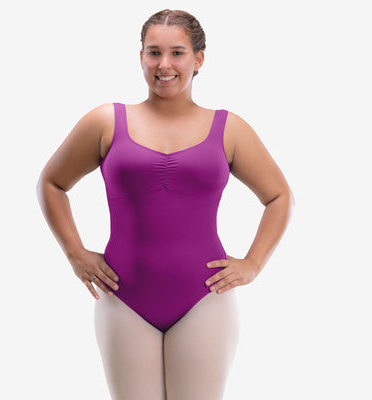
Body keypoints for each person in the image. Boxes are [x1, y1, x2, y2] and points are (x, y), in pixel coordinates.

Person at [36, 8, 295, 400]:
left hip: (204, 297)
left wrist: (254, 263)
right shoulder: (105, 122)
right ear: (141, 56)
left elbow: (279, 196)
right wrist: (74, 253)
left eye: (177, 53)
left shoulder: (230, 129)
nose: (164, 65)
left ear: (198, 59)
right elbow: (52, 183)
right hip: (124, 297)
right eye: (154, 52)